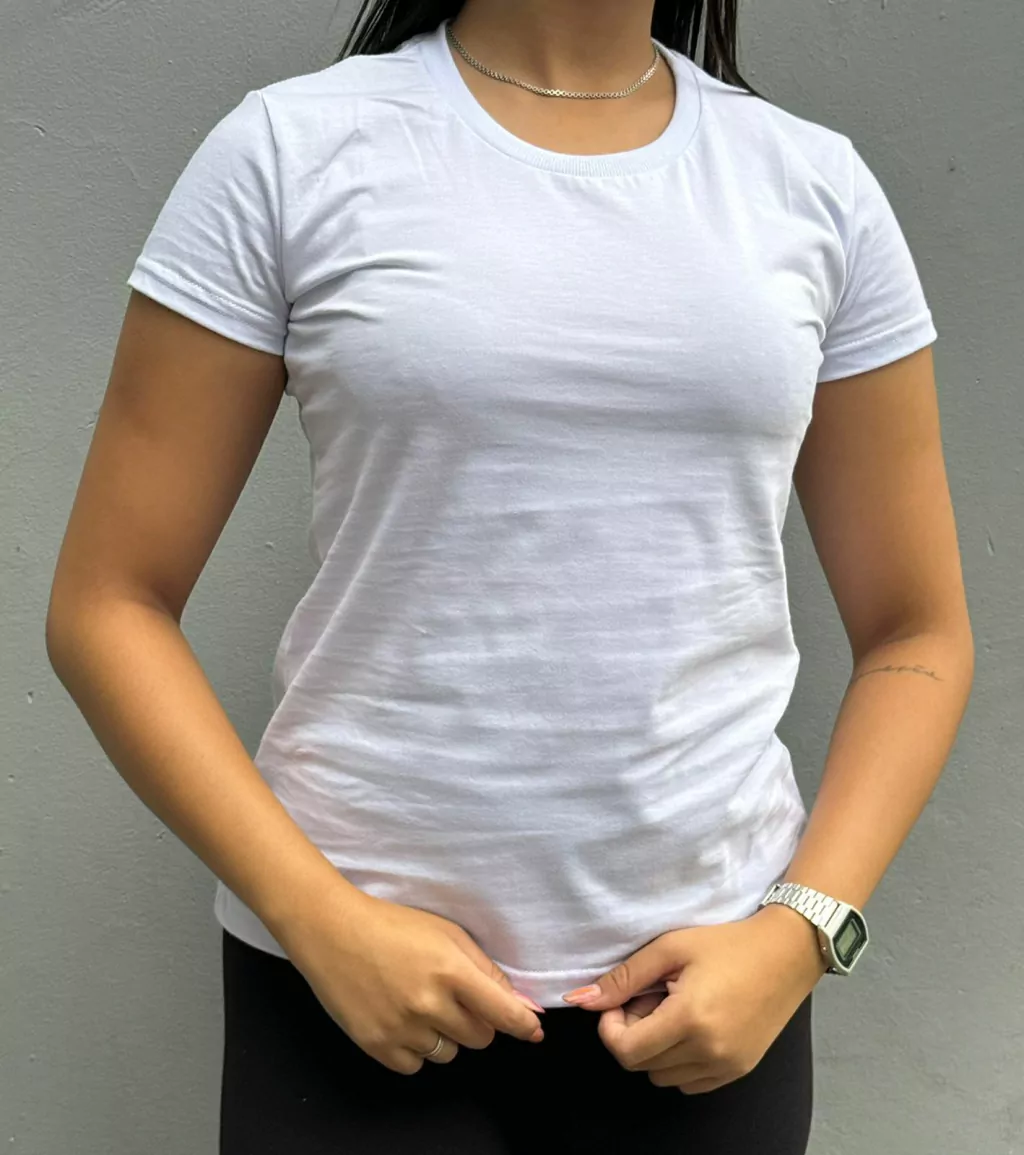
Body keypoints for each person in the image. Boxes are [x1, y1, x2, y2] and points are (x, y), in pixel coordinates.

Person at [45, 1, 975, 1152]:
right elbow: (108, 604)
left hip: (713, 996)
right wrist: (316, 916)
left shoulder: (811, 185)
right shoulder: (291, 150)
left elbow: (916, 633)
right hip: (350, 989)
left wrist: (799, 934)